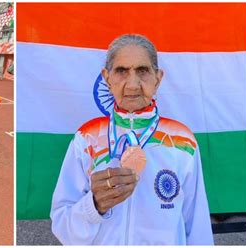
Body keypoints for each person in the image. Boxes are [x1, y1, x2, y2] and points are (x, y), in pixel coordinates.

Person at [50, 34, 214, 245]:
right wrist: (94, 206)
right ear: (107, 78)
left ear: (158, 78)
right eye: (121, 71)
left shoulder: (183, 141)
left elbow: (197, 224)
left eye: (143, 71)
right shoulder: (87, 138)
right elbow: (62, 226)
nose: (133, 84)